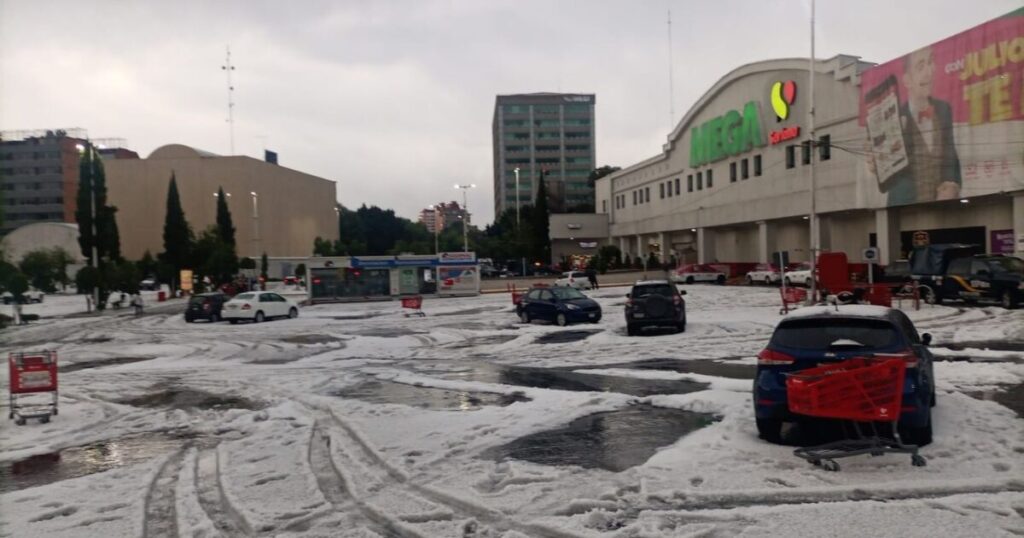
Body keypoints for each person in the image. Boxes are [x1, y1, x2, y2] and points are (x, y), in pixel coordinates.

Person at [880, 46, 962, 206]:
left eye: (931, 62)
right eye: (920, 66)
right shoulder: (893, 119)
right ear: (907, 80)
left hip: (942, 210)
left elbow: (951, 156)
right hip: (905, 211)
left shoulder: (944, 109)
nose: (929, 71)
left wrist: (953, 184)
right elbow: (887, 174)